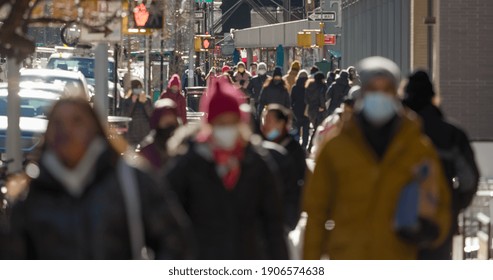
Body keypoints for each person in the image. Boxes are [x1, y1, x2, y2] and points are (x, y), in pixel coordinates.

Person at [7, 97, 193, 259]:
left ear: (94, 129)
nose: (67, 131)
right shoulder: (32, 193)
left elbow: (175, 243)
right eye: (58, 123)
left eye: (76, 121)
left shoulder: (130, 181)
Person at [303, 56, 452, 260]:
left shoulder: (416, 147)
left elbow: (441, 203)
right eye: (373, 89)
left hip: (397, 256)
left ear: (396, 94)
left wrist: (429, 231)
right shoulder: (336, 147)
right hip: (348, 256)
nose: (379, 96)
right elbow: (316, 211)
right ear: (363, 94)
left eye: (386, 90)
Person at [165, 78, 288, 259]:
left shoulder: (257, 164)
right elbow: (169, 227)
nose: (227, 129)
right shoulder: (188, 165)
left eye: (232, 122)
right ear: (209, 125)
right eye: (221, 123)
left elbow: (274, 226)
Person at [402, 70, 480, 260]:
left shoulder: (394, 134)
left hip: (395, 220)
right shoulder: (452, 134)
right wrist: (454, 203)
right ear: (433, 98)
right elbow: (469, 180)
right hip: (439, 219)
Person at [261, 104, 306, 231]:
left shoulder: (294, 150)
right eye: (264, 121)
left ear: (281, 123)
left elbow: (302, 181)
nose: (264, 125)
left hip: (285, 215)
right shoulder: (259, 147)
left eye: (268, 121)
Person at [138, 98, 180, 172]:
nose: (168, 118)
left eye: (171, 115)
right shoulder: (148, 149)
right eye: (164, 117)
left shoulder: (182, 144)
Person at [123, 79, 153, 146]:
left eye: (140, 88)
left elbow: (151, 115)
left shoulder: (147, 100)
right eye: (136, 88)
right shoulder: (127, 101)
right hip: (132, 132)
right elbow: (126, 116)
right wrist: (132, 103)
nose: (138, 91)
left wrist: (145, 103)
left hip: (144, 132)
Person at [305, 72, 328, 152]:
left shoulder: (309, 85)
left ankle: (311, 147)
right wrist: (322, 107)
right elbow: (322, 97)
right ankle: (313, 147)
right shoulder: (322, 86)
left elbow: (306, 99)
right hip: (319, 110)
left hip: (311, 110)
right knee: (319, 129)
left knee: (315, 128)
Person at [290, 70, 310, 150]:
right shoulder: (308, 87)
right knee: (306, 130)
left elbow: (291, 100)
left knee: (297, 130)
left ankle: (297, 146)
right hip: (306, 111)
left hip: (296, 111)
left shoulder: (294, 87)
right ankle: (304, 146)